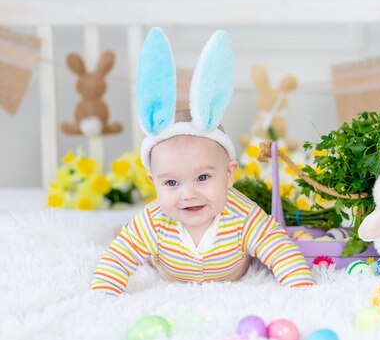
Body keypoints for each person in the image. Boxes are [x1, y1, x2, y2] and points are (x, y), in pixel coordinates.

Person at [90, 28, 313, 295]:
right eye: (171, 182)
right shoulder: (154, 220)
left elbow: (279, 247)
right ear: (154, 182)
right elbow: (118, 257)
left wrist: (301, 290)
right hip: (166, 268)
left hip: (231, 272)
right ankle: (119, 229)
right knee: (125, 237)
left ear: (229, 174)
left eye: (203, 178)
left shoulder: (243, 215)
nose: (189, 194)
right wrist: (103, 295)